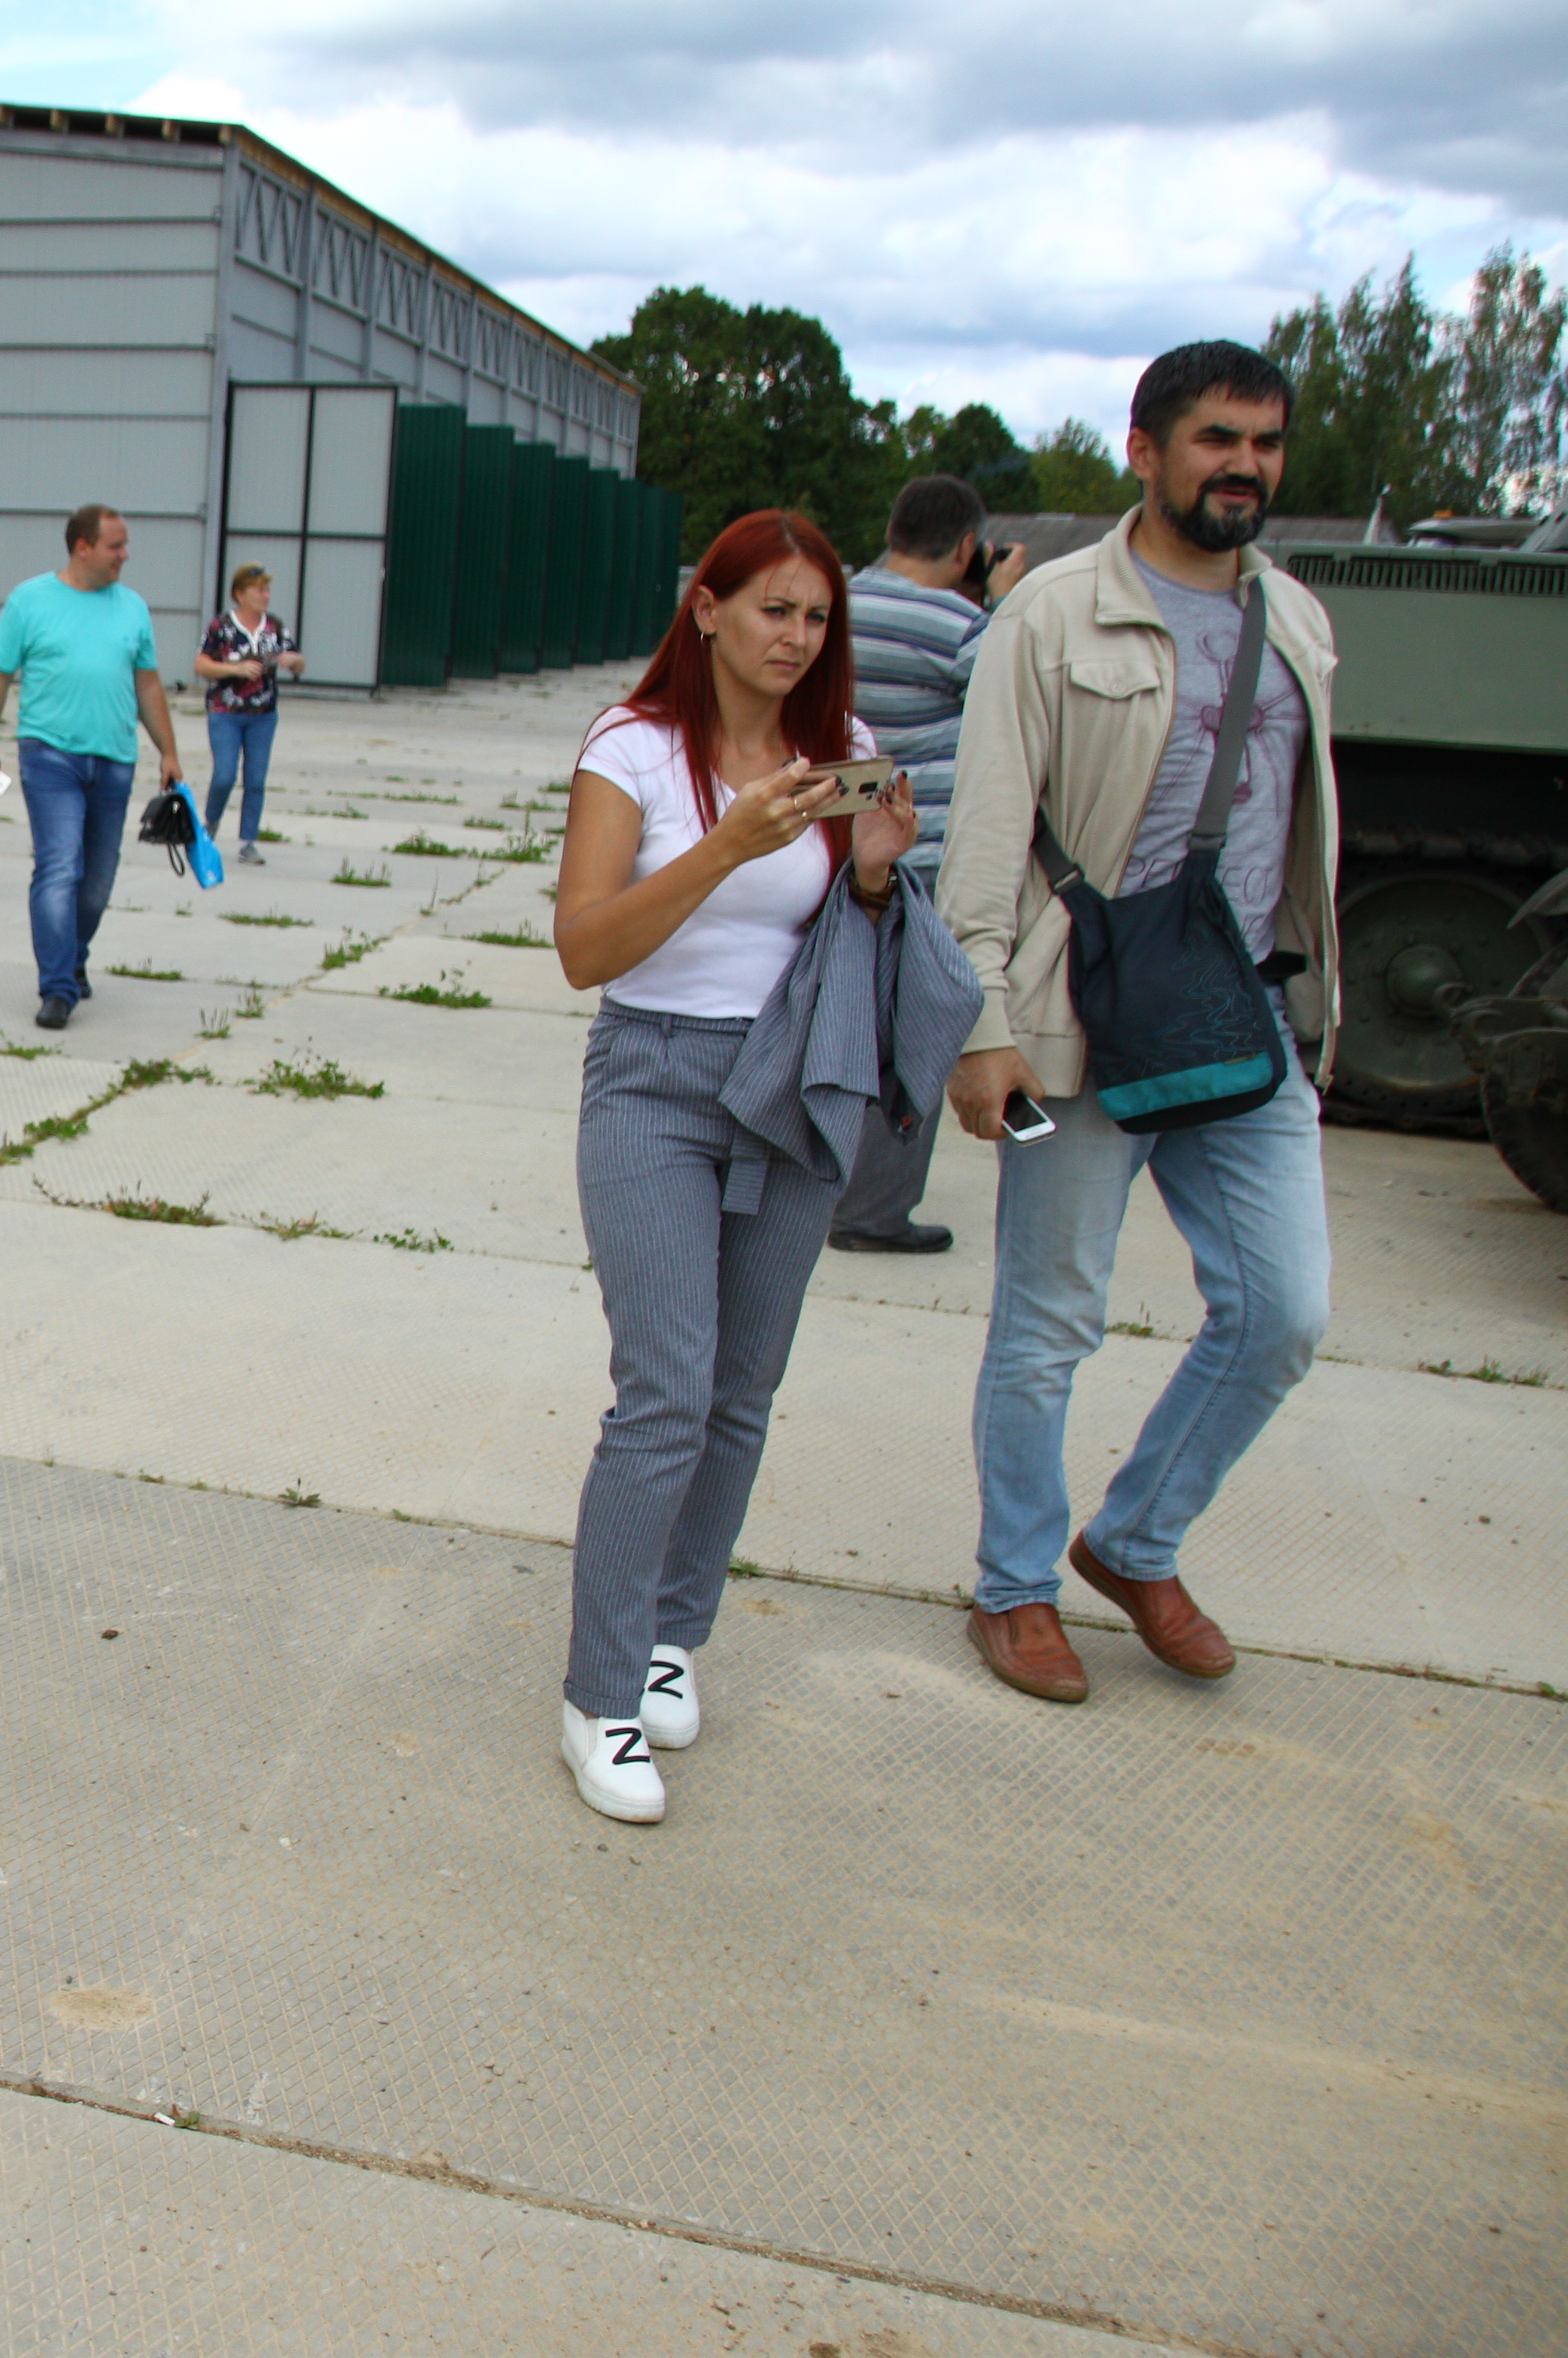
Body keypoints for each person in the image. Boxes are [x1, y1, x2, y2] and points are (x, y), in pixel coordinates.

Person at [938, 341, 1339, 1707]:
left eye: (1265, 443)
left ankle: (1134, 1539)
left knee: (1284, 1309)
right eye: (1217, 438)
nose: (1243, 465)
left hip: (1240, 1021)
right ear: (1145, 449)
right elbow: (983, 836)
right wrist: (977, 1021)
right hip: (1074, 1020)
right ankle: (1015, 1586)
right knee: (1049, 1323)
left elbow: (1299, 834)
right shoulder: (1048, 616)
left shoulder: (1298, 620)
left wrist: (1317, 1010)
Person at [548, 510, 915, 1824]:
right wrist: (727, 845)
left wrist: (869, 875)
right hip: (653, 1079)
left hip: (794, 1084)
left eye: (815, 616)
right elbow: (584, 949)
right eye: (771, 608)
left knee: (742, 1390)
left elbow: (853, 935)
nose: (794, 637)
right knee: (665, 1389)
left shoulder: (847, 757)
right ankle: (596, 1696)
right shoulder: (632, 749)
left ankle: (668, 1634)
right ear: (705, 608)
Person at [826, 475, 1027, 1255]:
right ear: (970, 547)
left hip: (836, 840)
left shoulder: (837, 603)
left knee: (835, 1017)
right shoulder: (962, 623)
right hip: (920, 854)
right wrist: (1001, 606)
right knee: (914, 1030)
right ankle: (874, 1210)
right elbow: (1014, 706)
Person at [0, 503, 184, 1028]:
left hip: (114, 760)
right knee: (60, 867)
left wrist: (169, 752)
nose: (124, 555)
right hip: (50, 755)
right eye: (116, 546)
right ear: (82, 547)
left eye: (125, 545)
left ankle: (73, 955)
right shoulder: (30, 600)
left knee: (97, 882)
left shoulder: (132, 607)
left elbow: (148, 683)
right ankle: (58, 987)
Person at [193, 563, 302, 861]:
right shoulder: (222, 627)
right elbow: (201, 665)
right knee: (225, 775)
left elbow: (298, 660)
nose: (265, 595)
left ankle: (248, 841)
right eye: (259, 590)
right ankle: (211, 822)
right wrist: (235, 668)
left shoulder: (275, 627)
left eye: (267, 590)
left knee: (255, 779)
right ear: (240, 594)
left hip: (263, 714)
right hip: (225, 711)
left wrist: (292, 662)